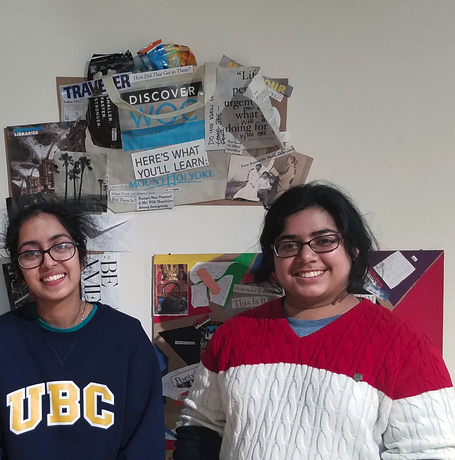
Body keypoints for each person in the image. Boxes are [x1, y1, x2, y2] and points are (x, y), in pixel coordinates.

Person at [175, 182, 455, 459]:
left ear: (353, 248)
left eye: (324, 241)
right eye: (289, 245)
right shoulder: (234, 334)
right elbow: (200, 427)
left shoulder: (406, 346)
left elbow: (429, 451)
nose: (306, 256)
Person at [0, 201, 164, 460]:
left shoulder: (126, 337)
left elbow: (144, 445)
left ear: (82, 257)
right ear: (19, 273)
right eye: (31, 253)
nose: (48, 262)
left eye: (61, 246)